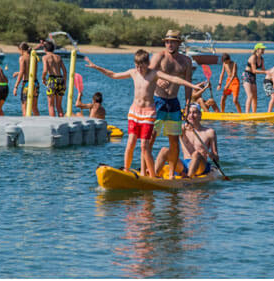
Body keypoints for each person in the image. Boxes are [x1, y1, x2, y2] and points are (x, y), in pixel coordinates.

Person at [85, 49, 201, 177]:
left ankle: (152, 176)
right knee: (130, 143)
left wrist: (192, 86)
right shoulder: (133, 72)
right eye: (137, 66)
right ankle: (126, 171)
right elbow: (113, 75)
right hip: (134, 112)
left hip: (148, 113)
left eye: (141, 66)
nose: (139, 69)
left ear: (147, 63)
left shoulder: (154, 74)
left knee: (144, 147)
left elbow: (174, 79)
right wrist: (96, 67)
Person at [147, 30, 194, 179]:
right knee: (151, 137)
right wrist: (156, 79)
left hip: (173, 102)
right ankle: (147, 170)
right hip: (157, 101)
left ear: (179, 43)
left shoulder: (186, 61)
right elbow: (147, 73)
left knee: (174, 140)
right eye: (167, 41)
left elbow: (188, 85)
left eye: (173, 41)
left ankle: (172, 174)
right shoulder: (159, 56)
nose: (169, 44)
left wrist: (187, 105)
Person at [154, 103, 219, 178]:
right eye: (189, 113)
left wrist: (212, 155)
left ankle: (188, 178)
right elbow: (170, 129)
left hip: (201, 166)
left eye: (194, 112)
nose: (191, 115)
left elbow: (216, 158)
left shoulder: (209, 132)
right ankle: (154, 175)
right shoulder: (182, 129)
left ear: (200, 115)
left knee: (196, 154)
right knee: (164, 150)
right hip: (184, 164)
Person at [13, 42, 40, 116]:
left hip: (27, 84)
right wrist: (18, 73)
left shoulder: (22, 58)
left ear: (21, 49)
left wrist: (16, 86)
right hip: (35, 83)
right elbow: (31, 71)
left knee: (24, 108)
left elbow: (22, 72)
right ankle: (39, 123)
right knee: (34, 108)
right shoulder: (34, 57)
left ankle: (26, 125)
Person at [41, 40, 67, 117]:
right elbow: (65, 71)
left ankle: (53, 123)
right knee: (59, 106)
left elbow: (45, 70)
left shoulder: (45, 57)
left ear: (45, 49)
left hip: (52, 79)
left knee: (51, 105)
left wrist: (43, 78)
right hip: (60, 80)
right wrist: (65, 83)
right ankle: (61, 122)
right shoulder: (58, 57)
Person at [242, 43, 267, 113]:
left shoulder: (262, 59)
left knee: (255, 97)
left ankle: (254, 113)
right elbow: (254, 70)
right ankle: (247, 114)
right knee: (250, 96)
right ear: (257, 50)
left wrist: (271, 72)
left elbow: (263, 70)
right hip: (246, 75)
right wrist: (266, 72)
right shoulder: (253, 57)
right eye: (262, 49)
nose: (263, 50)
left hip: (253, 76)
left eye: (263, 49)